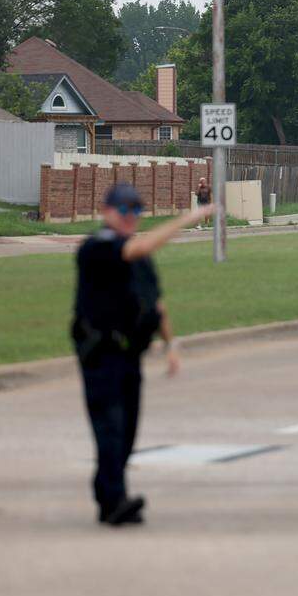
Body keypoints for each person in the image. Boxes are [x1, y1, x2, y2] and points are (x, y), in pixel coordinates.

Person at [72, 183, 212, 526]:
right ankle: (113, 500)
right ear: (107, 212)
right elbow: (139, 246)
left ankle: (109, 491)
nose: (131, 217)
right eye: (124, 210)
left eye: (136, 211)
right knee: (111, 428)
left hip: (130, 355)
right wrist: (187, 219)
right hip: (101, 353)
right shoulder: (97, 246)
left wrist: (170, 345)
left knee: (129, 430)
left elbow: (155, 302)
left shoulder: (140, 257)